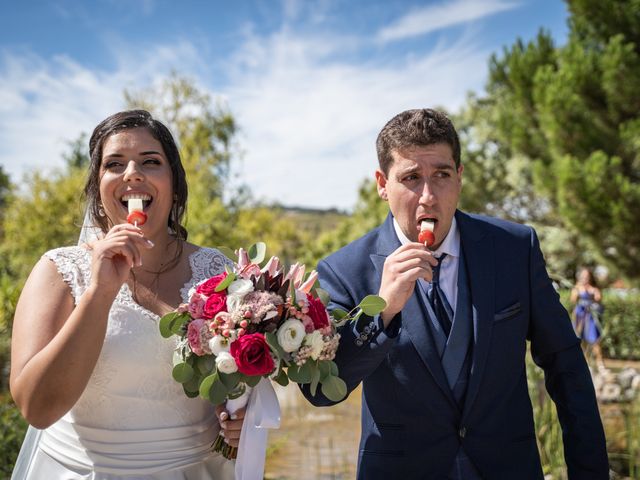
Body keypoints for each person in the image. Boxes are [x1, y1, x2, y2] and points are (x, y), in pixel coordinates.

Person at [302, 109, 609, 479]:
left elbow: (566, 365)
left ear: (459, 177)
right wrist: (380, 312)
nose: (428, 196)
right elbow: (321, 391)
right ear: (382, 184)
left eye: (442, 175)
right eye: (411, 178)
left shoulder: (514, 248)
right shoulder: (343, 270)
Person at [10, 110, 243, 479]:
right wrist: (100, 293)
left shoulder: (221, 273)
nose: (132, 173)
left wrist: (240, 418)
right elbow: (36, 408)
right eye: (114, 164)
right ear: (98, 187)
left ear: (174, 184)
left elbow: (238, 385)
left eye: (151, 162)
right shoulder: (59, 271)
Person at [570, 267, 605, 369]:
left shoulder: (593, 288)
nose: (585, 277)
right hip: (580, 315)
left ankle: (600, 363)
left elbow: (599, 299)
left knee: (594, 339)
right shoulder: (577, 287)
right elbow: (573, 300)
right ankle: (585, 361)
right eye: (583, 276)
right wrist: (578, 289)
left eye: (587, 276)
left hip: (590, 316)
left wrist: (594, 294)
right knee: (580, 339)